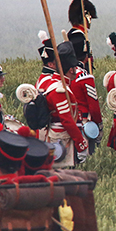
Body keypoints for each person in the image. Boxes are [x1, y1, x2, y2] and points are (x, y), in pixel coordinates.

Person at [35, 34, 88, 168]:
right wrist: (80, 143)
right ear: (71, 69)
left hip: (61, 137)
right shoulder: (59, 90)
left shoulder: (59, 83)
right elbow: (67, 120)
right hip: (60, 139)